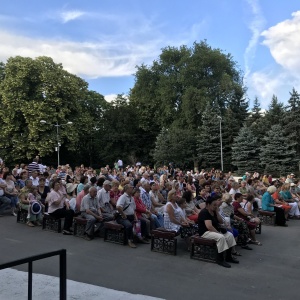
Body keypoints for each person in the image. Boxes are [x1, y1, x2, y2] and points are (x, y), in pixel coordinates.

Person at [198, 195, 238, 268]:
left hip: (213, 231)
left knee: (229, 235)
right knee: (221, 237)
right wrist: (218, 233)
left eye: (216, 205)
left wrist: (217, 212)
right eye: (214, 205)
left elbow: (221, 221)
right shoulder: (204, 212)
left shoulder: (214, 211)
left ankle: (228, 257)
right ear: (208, 204)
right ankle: (220, 259)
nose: (215, 206)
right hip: (205, 232)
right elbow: (209, 226)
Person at [116, 184, 138, 248]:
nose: (132, 189)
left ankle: (139, 237)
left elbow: (133, 209)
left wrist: (135, 217)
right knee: (129, 225)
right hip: (122, 217)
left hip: (130, 216)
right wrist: (123, 214)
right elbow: (118, 207)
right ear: (127, 189)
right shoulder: (123, 197)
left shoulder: (132, 198)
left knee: (142, 222)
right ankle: (129, 240)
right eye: (131, 188)